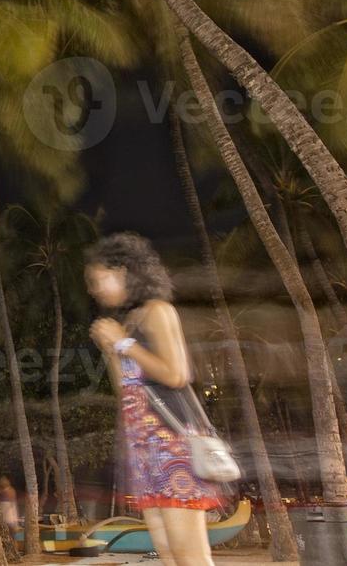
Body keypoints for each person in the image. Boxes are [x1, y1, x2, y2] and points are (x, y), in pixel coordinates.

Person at [87, 232, 224, 566]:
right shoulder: (130, 324)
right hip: (145, 451)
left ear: (125, 271)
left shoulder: (157, 311)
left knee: (190, 556)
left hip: (172, 447)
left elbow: (177, 374)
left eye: (99, 279)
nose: (94, 289)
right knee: (168, 554)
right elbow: (128, 392)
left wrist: (123, 345)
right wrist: (113, 351)